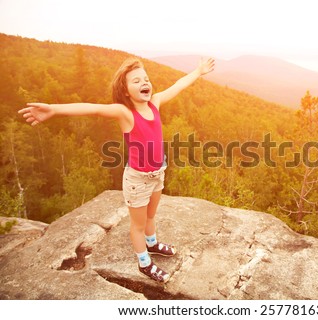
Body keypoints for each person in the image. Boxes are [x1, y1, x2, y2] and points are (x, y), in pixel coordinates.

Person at [18, 56, 215, 283]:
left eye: (146, 79)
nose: (144, 83)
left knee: (151, 216)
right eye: (136, 81)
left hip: (157, 174)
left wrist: (198, 71)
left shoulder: (155, 102)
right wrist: (53, 109)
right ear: (125, 90)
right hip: (138, 180)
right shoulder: (125, 113)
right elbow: (92, 109)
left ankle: (152, 245)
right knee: (138, 225)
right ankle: (144, 263)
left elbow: (178, 85)